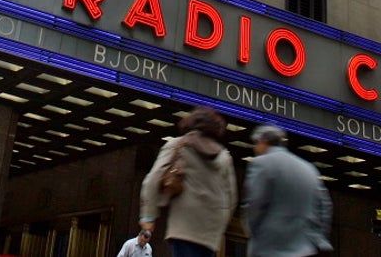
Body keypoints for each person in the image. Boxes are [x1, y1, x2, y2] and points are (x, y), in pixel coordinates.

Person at [138, 106, 238, 257]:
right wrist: (220, 226)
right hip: (211, 231)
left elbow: (152, 180)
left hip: (183, 226)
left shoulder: (178, 145)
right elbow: (231, 198)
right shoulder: (224, 157)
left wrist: (148, 216)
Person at [242, 124, 333, 257]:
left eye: (256, 144)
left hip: (271, 247)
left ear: (263, 142)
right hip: (306, 248)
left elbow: (255, 203)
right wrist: (317, 237)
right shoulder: (308, 168)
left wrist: (252, 231)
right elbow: (324, 207)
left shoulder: (262, 163)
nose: (255, 149)